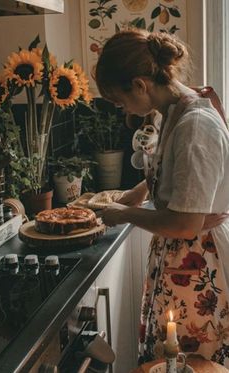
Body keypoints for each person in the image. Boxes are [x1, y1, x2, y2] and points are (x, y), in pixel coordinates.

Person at [95, 28, 229, 367]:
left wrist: (122, 213)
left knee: (188, 361)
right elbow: (177, 173)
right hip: (181, 259)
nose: (120, 107)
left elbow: (185, 223)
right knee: (168, 360)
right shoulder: (173, 111)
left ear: (140, 84)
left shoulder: (195, 126)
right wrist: (139, 192)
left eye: (118, 99)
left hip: (198, 263)